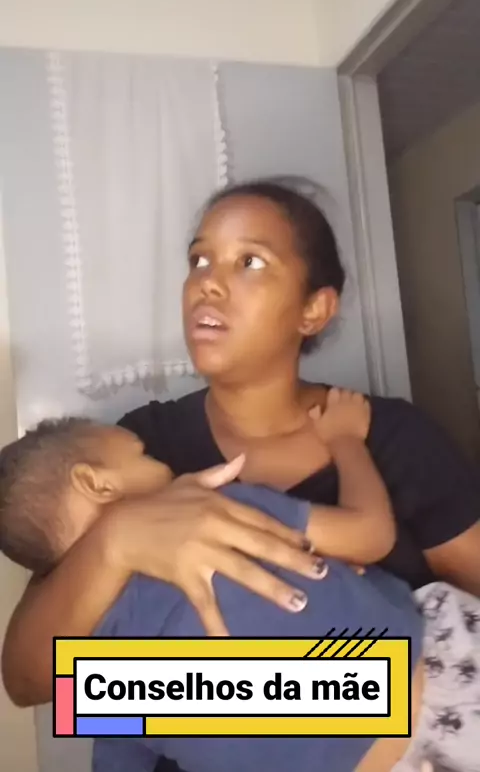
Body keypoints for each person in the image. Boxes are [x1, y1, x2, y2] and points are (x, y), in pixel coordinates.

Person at [2, 176, 480, 739]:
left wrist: (219, 694)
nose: (207, 283)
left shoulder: (395, 437)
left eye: (250, 261)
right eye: (198, 260)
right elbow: (31, 683)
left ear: (314, 309)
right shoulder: (138, 449)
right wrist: (117, 539)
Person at [0, 397, 427, 772]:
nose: (165, 464)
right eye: (143, 455)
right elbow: (372, 535)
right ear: (97, 483)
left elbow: (119, 752)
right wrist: (346, 440)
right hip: (426, 699)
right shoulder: (210, 509)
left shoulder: (101, 678)